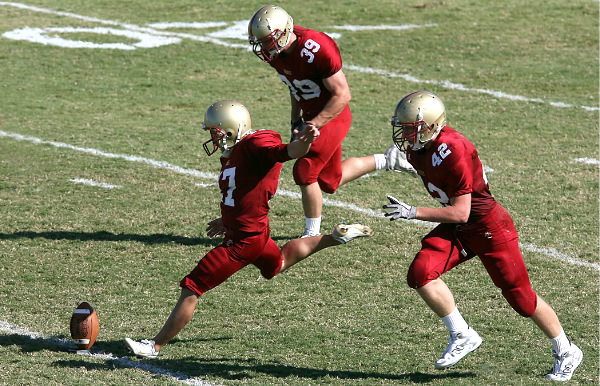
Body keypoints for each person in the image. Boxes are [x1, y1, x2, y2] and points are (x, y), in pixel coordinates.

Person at [124, 100, 373, 357]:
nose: (213, 137)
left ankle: (153, 346)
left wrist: (304, 142)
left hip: (242, 243)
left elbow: (288, 151)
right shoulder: (237, 152)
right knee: (278, 264)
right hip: (255, 233)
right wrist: (229, 219)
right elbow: (245, 190)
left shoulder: (255, 144)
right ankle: (335, 237)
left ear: (232, 129)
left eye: (216, 132)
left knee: (193, 286)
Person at [382, 91, 582, 381]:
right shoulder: (417, 149)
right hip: (462, 229)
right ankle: (462, 334)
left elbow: (461, 212)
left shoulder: (454, 149)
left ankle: (567, 350)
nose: (405, 134)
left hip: (487, 226)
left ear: (430, 126)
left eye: (411, 128)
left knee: (521, 299)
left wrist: (413, 212)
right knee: (421, 272)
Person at [248, 5, 414, 237]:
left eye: (268, 41)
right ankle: (388, 159)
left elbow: (343, 94)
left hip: (332, 116)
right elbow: (295, 86)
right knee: (329, 181)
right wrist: (296, 118)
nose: (264, 47)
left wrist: (314, 123)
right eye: (261, 42)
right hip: (311, 117)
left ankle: (311, 233)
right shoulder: (278, 53)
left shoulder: (316, 47)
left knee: (304, 171)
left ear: (284, 32)